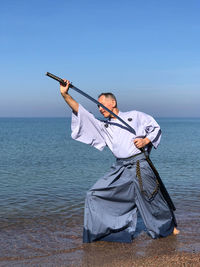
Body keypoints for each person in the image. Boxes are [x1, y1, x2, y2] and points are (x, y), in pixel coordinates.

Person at [60, 80, 179, 243]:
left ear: (113, 102)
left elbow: (155, 128)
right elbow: (82, 112)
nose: (100, 109)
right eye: (98, 107)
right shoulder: (104, 126)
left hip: (140, 165)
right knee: (93, 194)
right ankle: (108, 232)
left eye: (101, 104)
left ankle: (168, 228)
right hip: (120, 168)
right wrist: (65, 94)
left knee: (152, 198)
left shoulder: (134, 116)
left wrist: (145, 141)